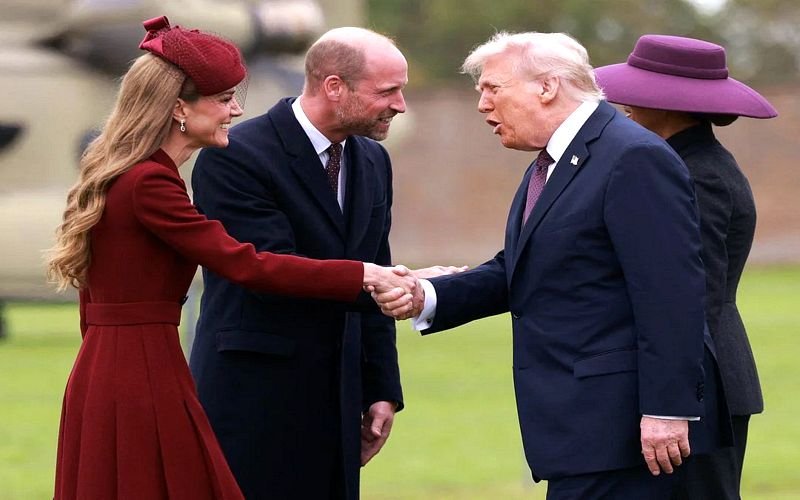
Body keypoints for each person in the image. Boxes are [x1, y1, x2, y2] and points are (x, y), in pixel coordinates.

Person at [46, 17, 414, 500]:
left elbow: (93, 298)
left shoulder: (137, 175)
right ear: (179, 108)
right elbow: (248, 264)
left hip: (119, 365)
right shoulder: (151, 182)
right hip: (144, 371)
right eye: (223, 99)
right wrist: (367, 275)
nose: (235, 110)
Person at [376, 31, 731, 499]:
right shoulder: (554, 161)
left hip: (627, 435)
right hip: (583, 432)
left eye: (492, 88)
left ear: (547, 87)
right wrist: (428, 295)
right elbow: (524, 267)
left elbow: (671, 293)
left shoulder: (632, 156)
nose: (482, 105)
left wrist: (667, 410)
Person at [187, 26, 418, 500]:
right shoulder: (236, 156)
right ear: (334, 86)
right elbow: (268, 272)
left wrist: (381, 388)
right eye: (387, 91)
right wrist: (380, 281)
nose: (399, 105)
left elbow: (378, 261)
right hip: (255, 401)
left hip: (339, 403)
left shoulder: (373, 160)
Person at [594, 34, 776, 500]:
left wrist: (674, 400)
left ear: (671, 102)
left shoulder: (697, 174)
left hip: (702, 386)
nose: (625, 103)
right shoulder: (679, 161)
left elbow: (690, 293)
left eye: (640, 91)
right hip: (694, 381)